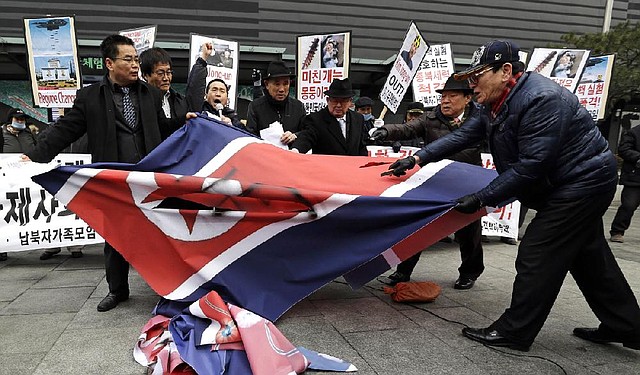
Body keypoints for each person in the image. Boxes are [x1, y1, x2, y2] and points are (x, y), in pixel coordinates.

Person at [384, 40, 640, 351]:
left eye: (478, 76)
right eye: (470, 77)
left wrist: (481, 198)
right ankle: (627, 326)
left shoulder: (542, 99)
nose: (472, 84)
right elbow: (465, 134)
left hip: (581, 185)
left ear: (506, 71)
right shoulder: (494, 100)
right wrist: (418, 158)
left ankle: (516, 331)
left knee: (537, 253)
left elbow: (531, 166)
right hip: (562, 184)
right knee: (590, 258)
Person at [23, 34, 190, 312]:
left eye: (137, 59)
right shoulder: (90, 97)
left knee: (159, 232)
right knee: (115, 236)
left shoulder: (152, 94)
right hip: (111, 178)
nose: (135, 65)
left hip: (148, 176)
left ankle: (168, 286)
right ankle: (117, 290)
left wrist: (185, 123)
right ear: (110, 63)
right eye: (128, 59)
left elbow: (163, 129)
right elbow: (66, 130)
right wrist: (36, 155)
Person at [371, 76, 483, 290]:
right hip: (435, 181)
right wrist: (385, 131)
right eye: (443, 96)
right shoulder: (430, 118)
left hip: (467, 185)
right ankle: (403, 271)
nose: (445, 101)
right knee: (418, 228)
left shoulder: (481, 119)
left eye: (452, 96)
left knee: (469, 232)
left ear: (468, 98)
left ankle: (470, 272)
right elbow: (407, 129)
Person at [291, 78, 367, 156]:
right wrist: (295, 151)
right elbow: (306, 137)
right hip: (326, 167)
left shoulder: (358, 119)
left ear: (350, 102)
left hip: (352, 166)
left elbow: (362, 147)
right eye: (335, 101)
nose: (338, 105)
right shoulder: (316, 119)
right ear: (327, 100)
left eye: (343, 101)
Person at [1, 108, 39, 261]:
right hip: (6, 181)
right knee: (5, 212)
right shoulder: (1, 134)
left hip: (27, 179)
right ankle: (3, 246)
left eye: (23, 119)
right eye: (18, 119)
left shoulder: (28, 134)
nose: (21, 121)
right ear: (10, 119)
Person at [245, 61, 306, 146]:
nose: (281, 89)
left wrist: (295, 136)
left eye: (286, 84)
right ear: (267, 84)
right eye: (277, 84)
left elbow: (307, 133)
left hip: (292, 156)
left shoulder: (298, 107)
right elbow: (250, 136)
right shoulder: (255, 107)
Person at [185, 42, 242, 128]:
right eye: (214, 90)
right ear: (206, 95)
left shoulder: (233, 118)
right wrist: (203, 59)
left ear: (227, 99)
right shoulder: (199, 111)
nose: (218, 94)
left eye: (222, 91)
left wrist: (231, 125)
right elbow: (195, 88)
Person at [609, 124, 640, 243]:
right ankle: (617, 231)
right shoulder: (634, 132)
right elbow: (624, 149)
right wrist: (638, 157)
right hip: (635, 178)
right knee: (628, 206)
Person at [140, 47, 188, 122]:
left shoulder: (181, 101)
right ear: (145, 75)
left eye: (168, 72)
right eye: (160, 73)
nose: (166, 78)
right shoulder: (140, 101)